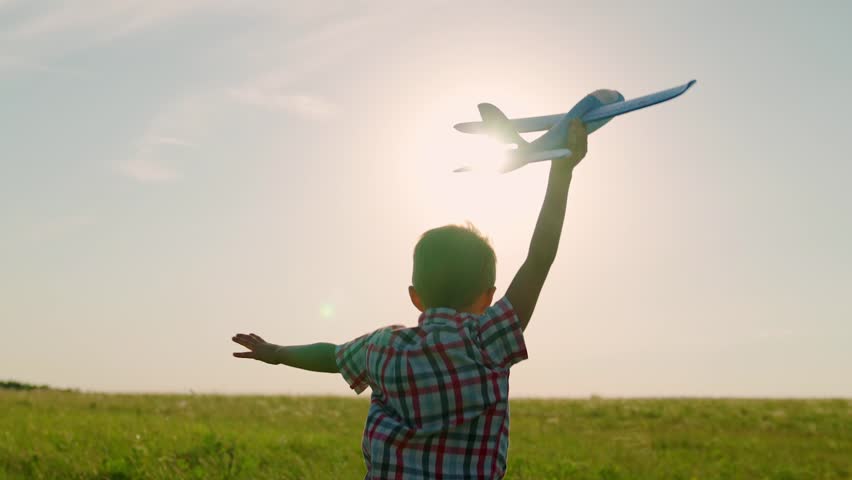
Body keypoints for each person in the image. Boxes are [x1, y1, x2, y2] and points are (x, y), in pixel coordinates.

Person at [232, 112, 591, 479]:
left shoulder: (384, 348)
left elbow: (332, 355)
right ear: (487, 298)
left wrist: (276, 353)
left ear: (415, 297)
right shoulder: (490, 340)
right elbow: (539, 258)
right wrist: (562, 172)